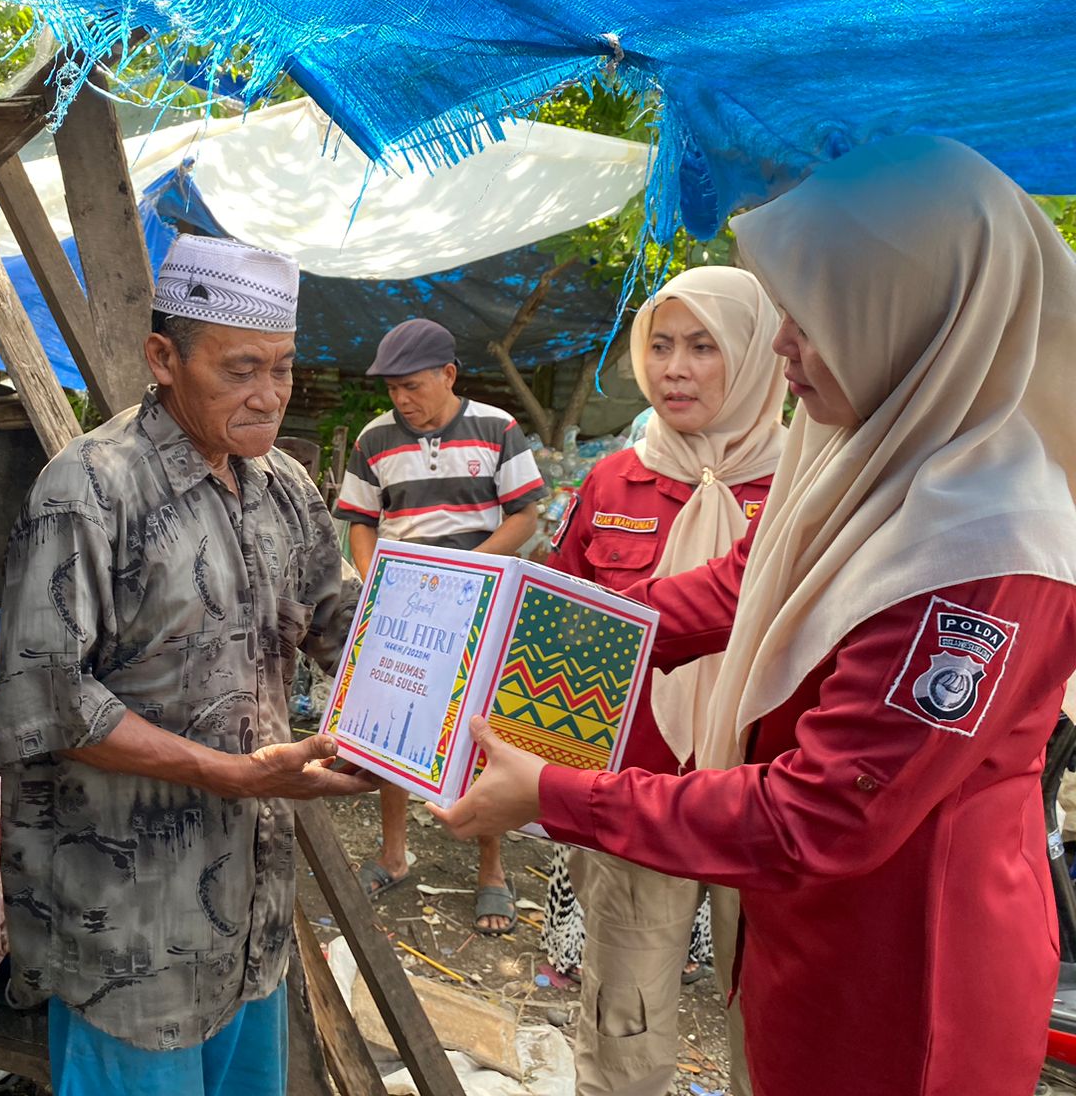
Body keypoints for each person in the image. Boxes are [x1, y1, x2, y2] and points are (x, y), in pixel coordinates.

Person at [433, 135, 1076, 1094]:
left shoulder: (988, 550)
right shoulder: (866, 454)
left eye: (808, 318)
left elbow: (820, 811)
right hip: (799, 927)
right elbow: (741, 590)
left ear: (911, 318)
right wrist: (515, 642)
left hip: (904, 976)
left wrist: (556, 794)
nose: (776, 349)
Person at [0, 233, 377, 1096]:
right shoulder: (88, 489)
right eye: (240, 369)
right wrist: (232, 775)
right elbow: (52, 700)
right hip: (130, 938)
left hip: (252, 922)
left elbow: (341, 625)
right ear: (163, 357)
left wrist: (449, 685)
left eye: (281, 369)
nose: (269, 395)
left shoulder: (281, 485)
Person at [544, 266, 784, 1096]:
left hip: (770, 801)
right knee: (624, 1017)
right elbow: (564, 637)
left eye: (704, 346)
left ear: (757, 357)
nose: (675, 368)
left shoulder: (809, 485)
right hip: (636, 791)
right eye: (661, 345)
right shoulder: (613, 482)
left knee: (774, 1019)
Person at [335, 317, 545, 932]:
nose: (402, 400)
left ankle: (492, 869)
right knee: (397, 729)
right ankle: (395, 855)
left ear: (449, 375)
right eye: (393, 389)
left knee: (482, 730)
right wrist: (378, 583)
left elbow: (525, 516)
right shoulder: (375, 440)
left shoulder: (497, 427)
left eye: (413, 386)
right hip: (403, 607)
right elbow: (361, 522)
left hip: (480, 603)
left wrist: (466, 574)